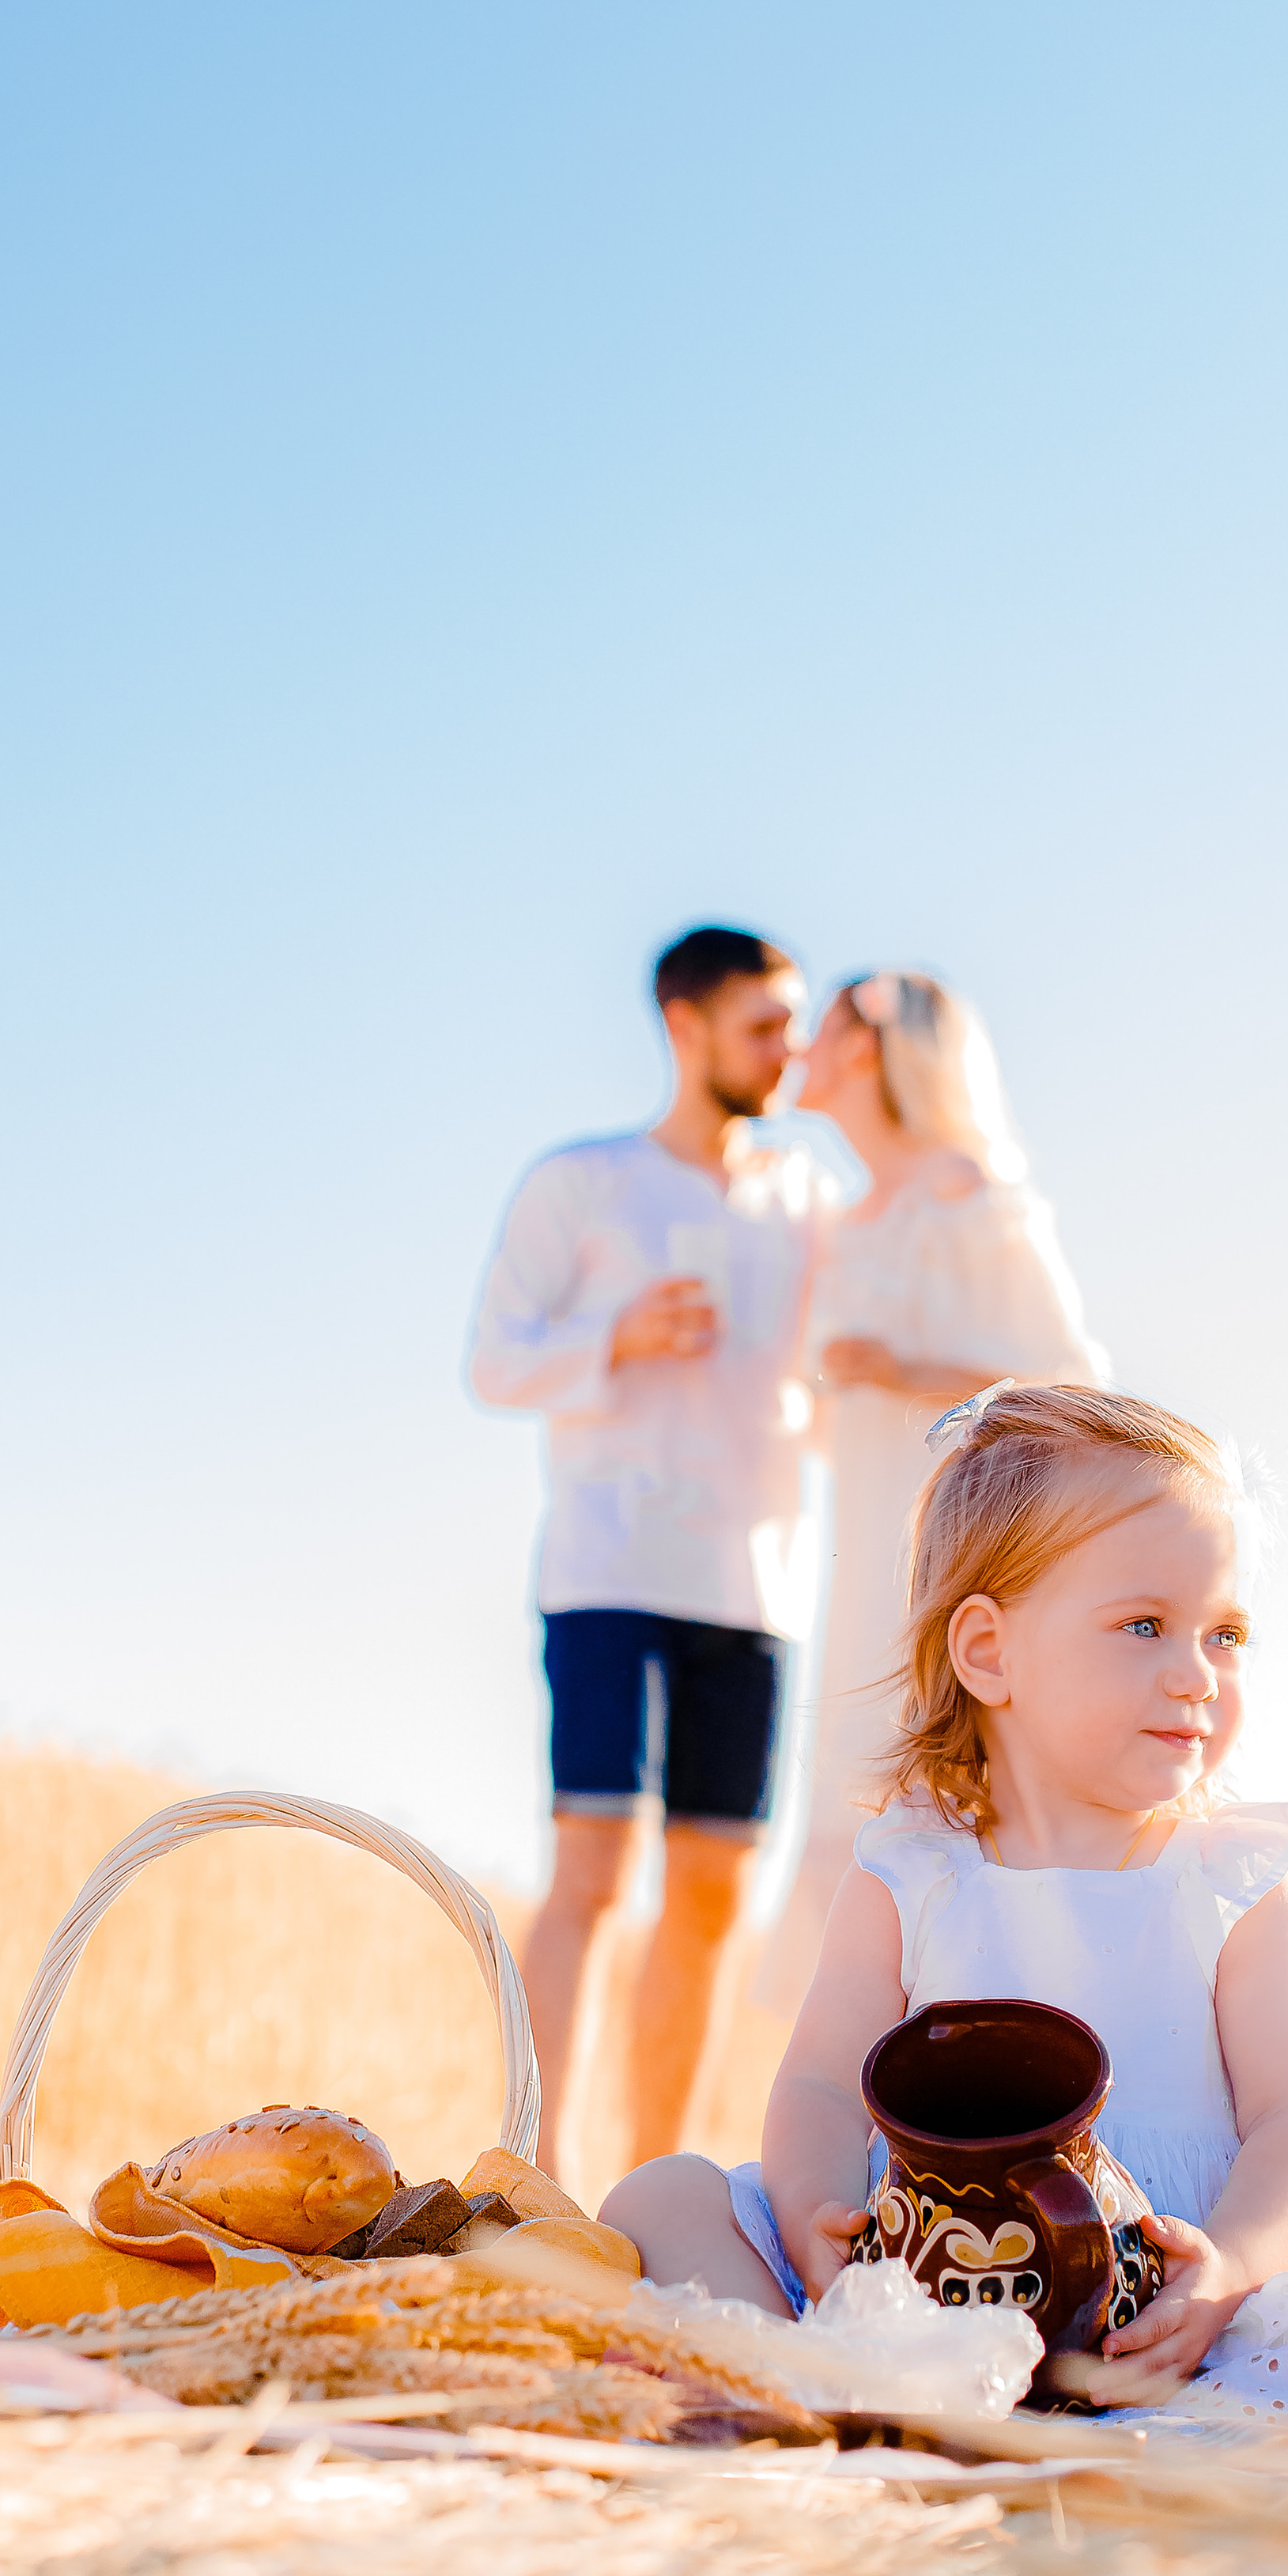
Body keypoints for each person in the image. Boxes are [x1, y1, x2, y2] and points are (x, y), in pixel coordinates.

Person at [605, 1384, 1288, 2439]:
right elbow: (819, 2079)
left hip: (1169, 2293)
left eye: (1225, 1635)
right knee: (662, 2198)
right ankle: (812, 2395)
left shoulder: (1234, 1879)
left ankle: (913, 2419)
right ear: (990, 1653)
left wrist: (1232, 2267)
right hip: (929, 2266)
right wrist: (821, 2225)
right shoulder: (915, 1869)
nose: (1196, 1676)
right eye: (1145, 1626)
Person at [469, 925, 829, 2185]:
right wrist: (612, 1334)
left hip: (757, 1584)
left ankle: (656, 2184)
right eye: (764, 1027)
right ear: (685, 1025)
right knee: (595, 1872)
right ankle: (542, 2175)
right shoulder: (584, 1184)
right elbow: (491, 1359)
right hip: (610, 1571)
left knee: (718, 1896)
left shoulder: (808, 1203)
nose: (790, 1050)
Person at [757, 968, 1107, 2014]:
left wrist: (907, 1370)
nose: (803, 1048)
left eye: (822, 1026)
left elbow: (1074, 1379)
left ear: (869, 1046)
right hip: (859, 1552)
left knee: (941, 1795)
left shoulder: (974, 1195)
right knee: (854, 1785)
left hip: (956, 1559)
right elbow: (832, 1417)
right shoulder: (844, 1225)